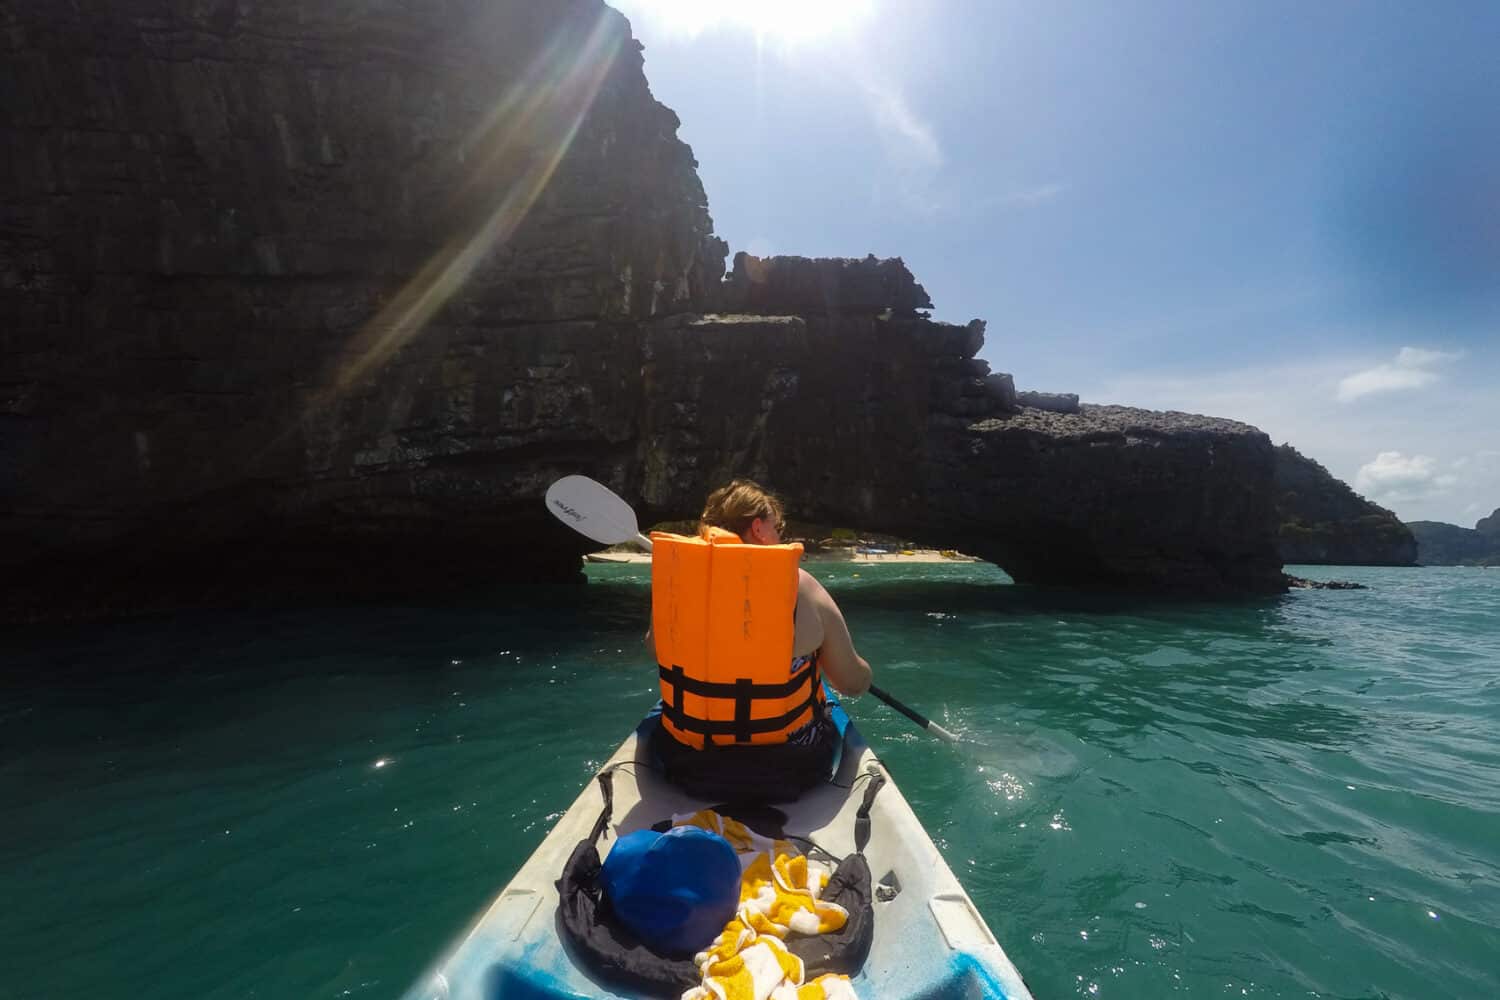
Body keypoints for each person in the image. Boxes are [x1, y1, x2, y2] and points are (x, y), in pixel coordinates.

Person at [647, 479, 872, 801]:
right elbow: (850, 682)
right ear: (758, 528)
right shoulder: (801, 586)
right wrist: (864, 675)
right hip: (789, 768)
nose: (780, 535)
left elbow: (655, 648)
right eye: (777, 527)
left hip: (689, 762)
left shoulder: (679, 586)